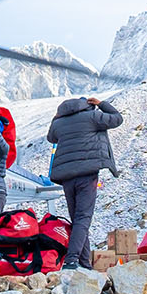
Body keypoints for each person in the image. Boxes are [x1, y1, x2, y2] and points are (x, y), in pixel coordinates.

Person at [46, 94, 123, 270]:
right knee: (83, 218)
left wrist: (56, 117)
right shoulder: (93, 116)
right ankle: (72, 260)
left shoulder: (59, 123)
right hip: (87, 174)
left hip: (66, 177)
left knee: (77, 219)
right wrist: (102, 104)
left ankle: (84, 263)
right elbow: (118, 119)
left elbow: (51, 137)